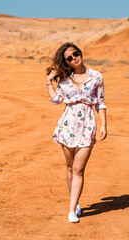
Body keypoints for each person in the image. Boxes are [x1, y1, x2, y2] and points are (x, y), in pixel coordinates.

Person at [46, 42, 107, 223]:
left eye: (75, 53)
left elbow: (100, 102)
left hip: (87, 124)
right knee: (70, 167)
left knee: (79, 169)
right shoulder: (65, 80)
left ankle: (71, 210)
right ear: (66, 63)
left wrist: (104, 124)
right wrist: (49, 81)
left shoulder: (96, 76)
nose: (74, 58)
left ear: (80, 53)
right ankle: (76, 201)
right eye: (69, 58)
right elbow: (56, 100)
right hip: (68, 124)